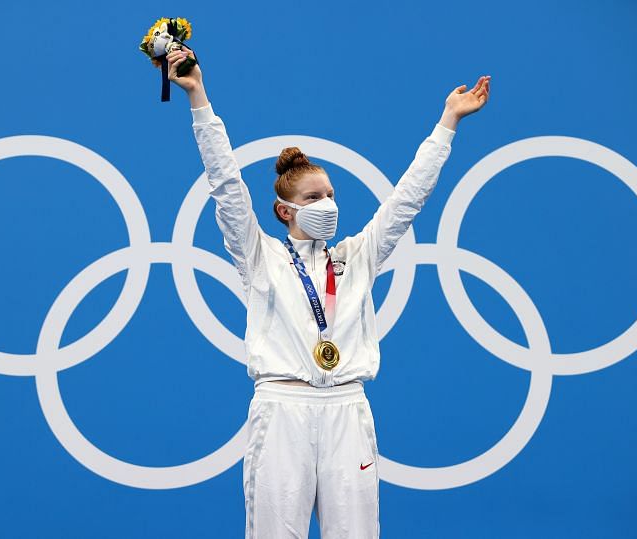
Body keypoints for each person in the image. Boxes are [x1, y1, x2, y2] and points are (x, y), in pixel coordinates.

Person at [156, 46, 490, 538]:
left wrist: (448, 122)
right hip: (281, 408)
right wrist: (197, 96)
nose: (328, 205)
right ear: (283, 211)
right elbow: (225, 184)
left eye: (331, 195)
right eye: (313, 198)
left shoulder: (358, 256)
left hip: (347, 410)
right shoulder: (259, 256)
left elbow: (407, 198)